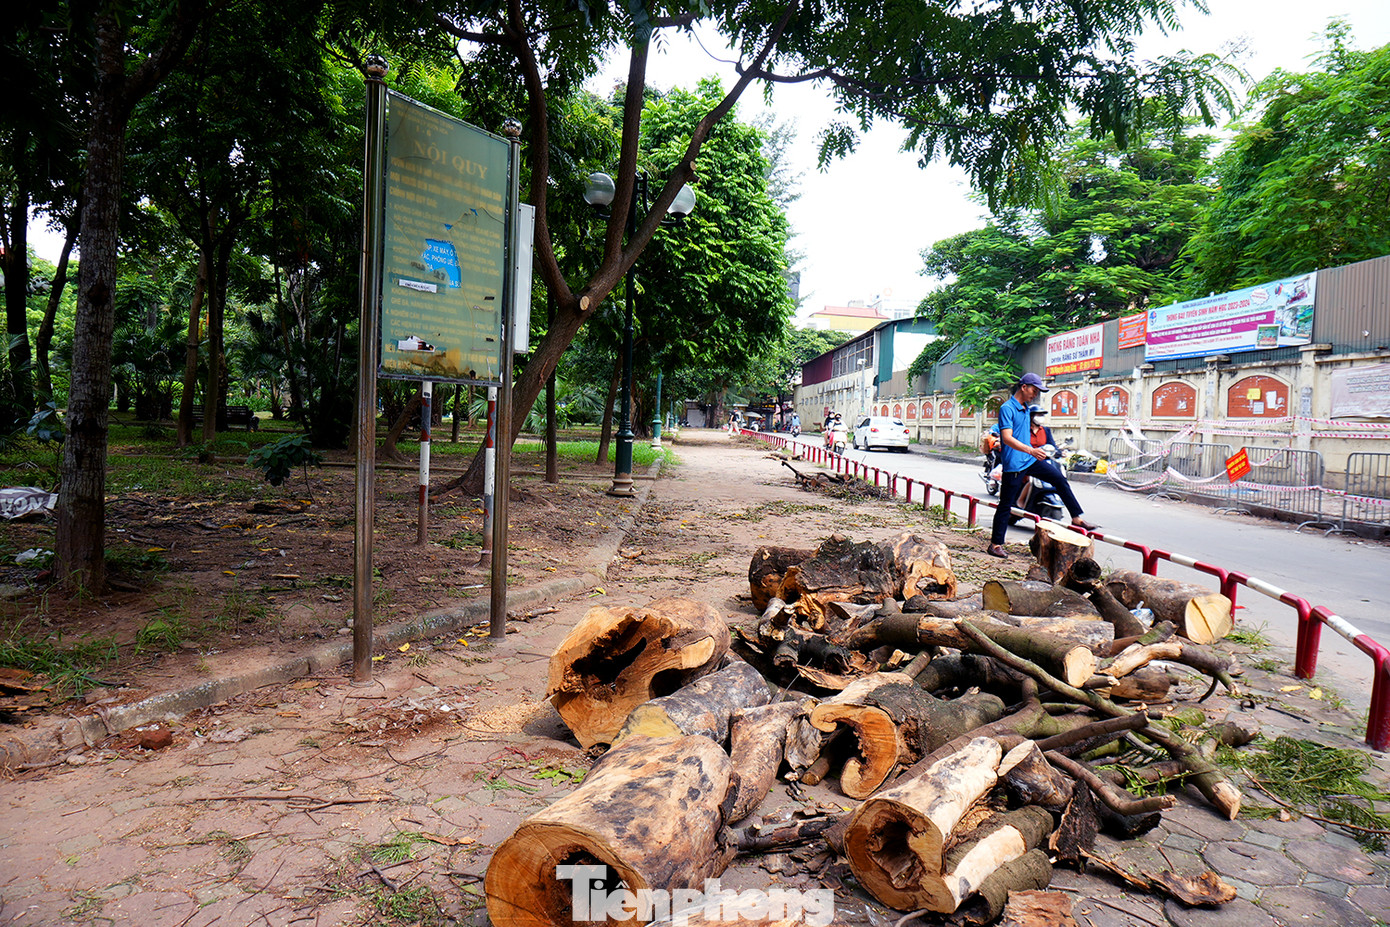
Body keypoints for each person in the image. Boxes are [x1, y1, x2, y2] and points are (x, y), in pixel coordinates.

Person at [986, 373, 1097, 559]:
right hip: (1014, 464)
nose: (1035, 394)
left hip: (1029, 459)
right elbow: (1007, 438)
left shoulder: (1026, 409)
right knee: (1005, 504)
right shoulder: (1007, 408)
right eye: (1034, 390)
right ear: (1023, 387)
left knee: (1059, 478)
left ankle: (1077, 517)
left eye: (1038, 391)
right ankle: (995, 544)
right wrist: (1031, 450)